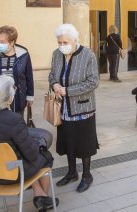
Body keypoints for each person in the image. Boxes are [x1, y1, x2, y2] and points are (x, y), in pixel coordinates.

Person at [0, 76, 58, 210]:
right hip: (10, 175)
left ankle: (40, 194)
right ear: (8, 99)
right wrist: (37, 143)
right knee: (45, 156)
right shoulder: (13, 119)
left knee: (20, 151)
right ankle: (42, 201)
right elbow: (32, 154)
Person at [49, 24, 99, 193]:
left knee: (84, 143)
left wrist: (68, 91)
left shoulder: (88, 55)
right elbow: (51, 75)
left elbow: (93, 82)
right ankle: (72, 172)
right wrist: (54, 84)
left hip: (82, 108)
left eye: (65, 42)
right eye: (59, 42)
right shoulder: (56, 54)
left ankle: (86, 175)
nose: (61, 45)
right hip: (63, 108)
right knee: (68, 140)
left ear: (75, 40)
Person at [0, 26, 34, 115]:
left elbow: (29, 76)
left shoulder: (23, 55)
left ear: (12, 42)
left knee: (16, 122)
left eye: (3, 42)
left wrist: (30, 96)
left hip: (18, 97)